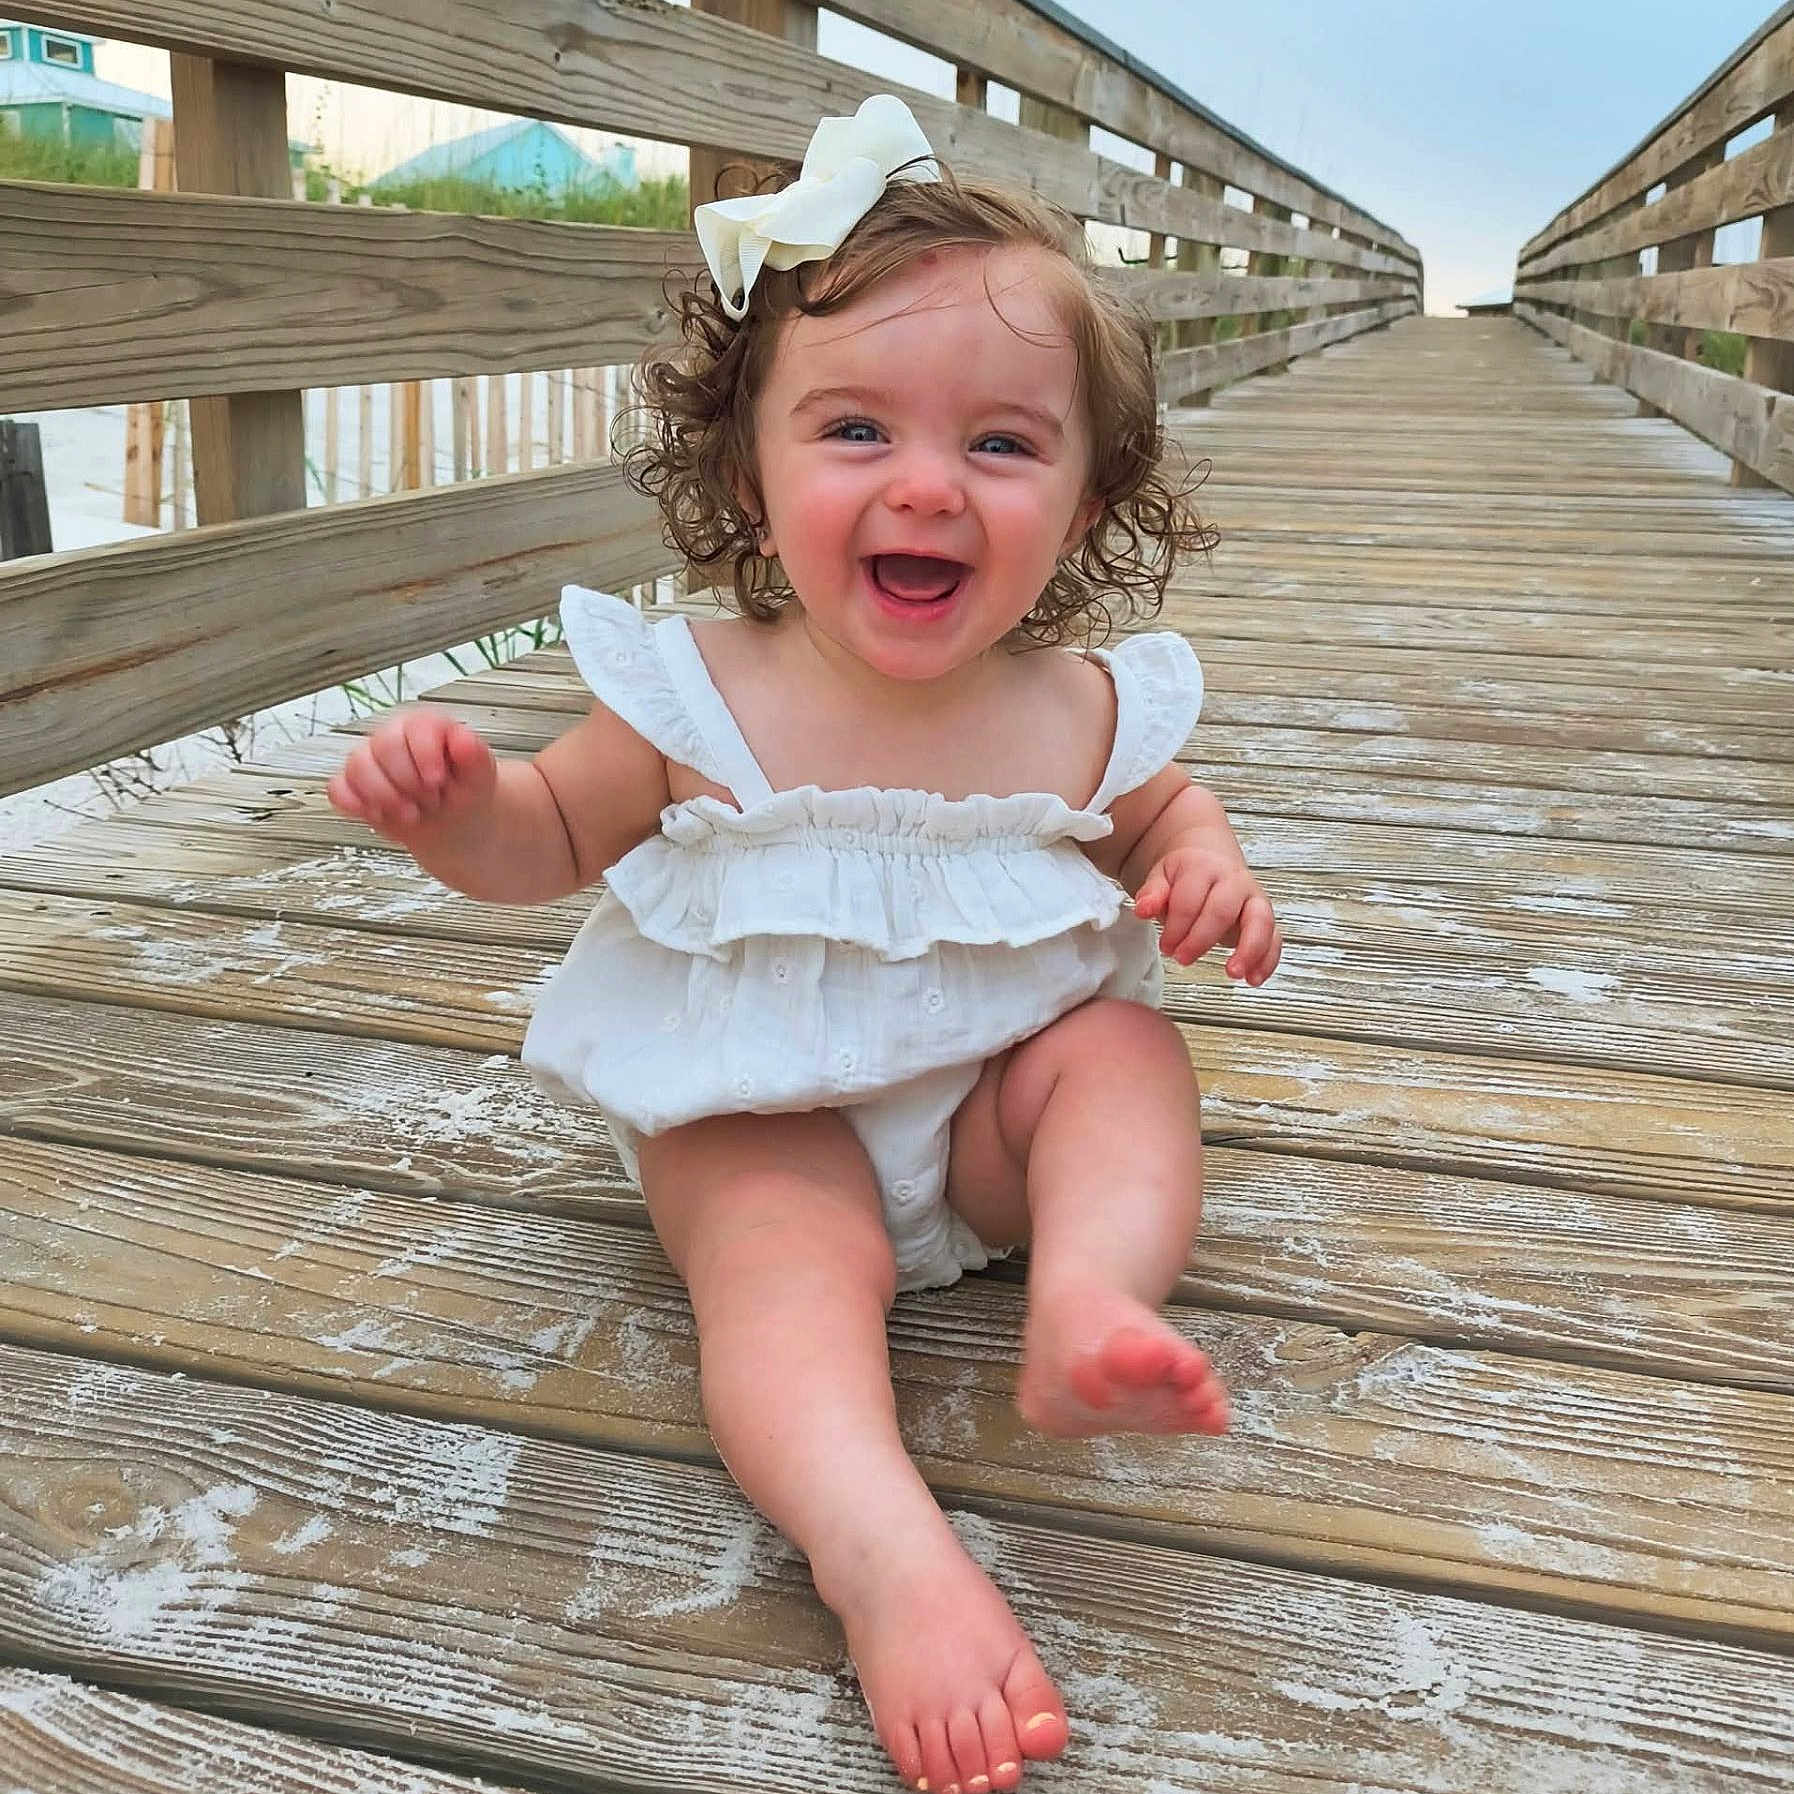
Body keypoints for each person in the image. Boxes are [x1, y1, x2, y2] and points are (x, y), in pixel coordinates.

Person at [328, 94, 1281, 1794]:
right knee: (775, 1254)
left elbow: (1164, 817)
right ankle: (879, 1549)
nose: (929, 482)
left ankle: (1084, 1290)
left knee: (1125, 1052)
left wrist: (1205, 873)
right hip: (758, 1117)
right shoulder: (698, 694)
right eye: (855, 429)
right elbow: (542, 839)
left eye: (1001, 445)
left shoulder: (1076, 707)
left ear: (1082, 495)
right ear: (748, 473)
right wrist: (454, 808)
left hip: (989, 1117)